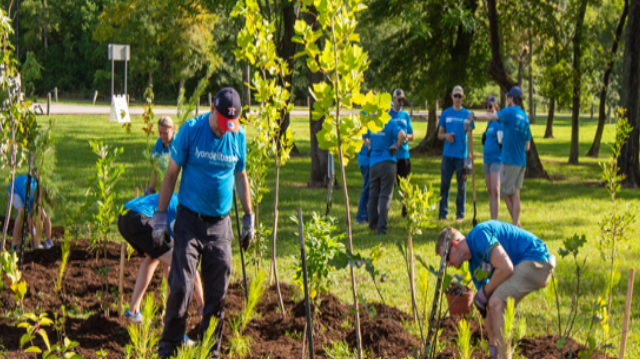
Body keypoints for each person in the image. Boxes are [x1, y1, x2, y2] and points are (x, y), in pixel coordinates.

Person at [153, 87, 254, 358]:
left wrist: (248, 217)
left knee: (218, 293)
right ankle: (169, 348)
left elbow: (241, 175)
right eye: (222, 123)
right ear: (212, 107)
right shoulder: (191, 130)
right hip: (189, 220)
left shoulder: (237, 136)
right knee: (182, 287)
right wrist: (161, 217)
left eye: (230, 125)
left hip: (220, 226)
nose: (224, 130)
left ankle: (210, 350)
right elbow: (171, 174)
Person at [435, 221, 555, 359]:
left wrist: (484, 293)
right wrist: (492, 346)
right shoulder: (474, 266)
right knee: (492, 302)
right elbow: (485, 305)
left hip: (537, 258)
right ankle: (498, 355)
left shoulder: (478, 235)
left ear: (455, 245)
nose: (448, 264)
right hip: (524, 264)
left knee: (497, 301)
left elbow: (506, 267)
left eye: (446, 258)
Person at [119, 193, 204, 324]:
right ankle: (173, 324)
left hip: (124, 216)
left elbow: (167, 263)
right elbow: (186, 262)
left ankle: (133, 311)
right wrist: (201, 304)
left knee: (154, 258)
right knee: (181, 263)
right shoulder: (182, 212)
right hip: (139, 217)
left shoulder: (180, 201)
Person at [471, 86, 531, 227]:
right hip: (522, 160)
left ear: (511, 98)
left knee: (505, 192)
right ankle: (516, 224)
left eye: (509, 97)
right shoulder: (524, 116)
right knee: (515, 194)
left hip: (510, 160)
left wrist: (474, 116)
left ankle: (516, 225)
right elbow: (527, 146)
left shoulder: (509, 112)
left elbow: (492, 116)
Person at [437, 85, 474, 223]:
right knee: (444, 185)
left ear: (462, 98)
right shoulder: (446, 113)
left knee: (461, 187)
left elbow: (470, 137)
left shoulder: (467, 115)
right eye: (455, 96)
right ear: (452, 96)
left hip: (461, 156)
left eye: (460, 96)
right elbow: (439, 135)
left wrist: (469, 157)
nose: (457, 98)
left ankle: (460, 215)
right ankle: (442, 214)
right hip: (447, 156)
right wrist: (446, 136)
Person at [367, 117, 407, 235]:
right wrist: (396, 144)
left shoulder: (372, 122)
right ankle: (382, 228)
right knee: (385, 196)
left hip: (373, 163)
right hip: (388, 162)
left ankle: (373, 224)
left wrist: (370, 147)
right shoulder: (390, 123)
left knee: (373, 195)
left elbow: (365, 137)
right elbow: (403, 135)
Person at [7, 174, 53, 250]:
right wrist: (34, 240)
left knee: (43, 214)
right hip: (14, 188)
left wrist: (49, 239)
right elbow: (29, 220)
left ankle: (48, 241)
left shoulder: (44, 198)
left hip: (26, 189)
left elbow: (47, 217)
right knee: (21, 212)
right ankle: (14, 243)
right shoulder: (30, 196)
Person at [389, 88, 414, 217]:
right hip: (391, 154)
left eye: (403, 100)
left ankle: (406, 211)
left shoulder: (406, 116)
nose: (401, 102)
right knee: (389, 185)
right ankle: (385, 211)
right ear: (393, 100)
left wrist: (405, 137)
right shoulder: (388, 115)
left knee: (404, 186)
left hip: (403, 154)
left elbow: (412, 135)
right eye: (399, 100)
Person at [481, 96, 502, 220]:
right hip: (486, 159)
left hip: (496, 159)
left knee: (495, 189)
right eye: (487, 107)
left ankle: (495, 219)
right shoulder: (489, 122)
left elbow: (502, 140)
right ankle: (492, 217)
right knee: (489, 190)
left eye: (490, 106)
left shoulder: (498, 121)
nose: (488, 109)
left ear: (496, 106)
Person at [145, 116, 176, 195]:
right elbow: (155, 165)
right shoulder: (159, 142)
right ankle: (151, 190)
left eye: (165, 133)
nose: (162, 136)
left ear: (173, 129)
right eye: (160, 133)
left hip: (176, 182)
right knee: (156, 163)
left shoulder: (177, 143)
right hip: (164, 179)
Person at [355, 135, 371, 225]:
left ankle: (369, 214)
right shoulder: (366, 124)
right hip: (366, 160)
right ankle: (361, 216)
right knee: (367, 187)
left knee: (372, 188)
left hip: (373, 160)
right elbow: (363, 137)